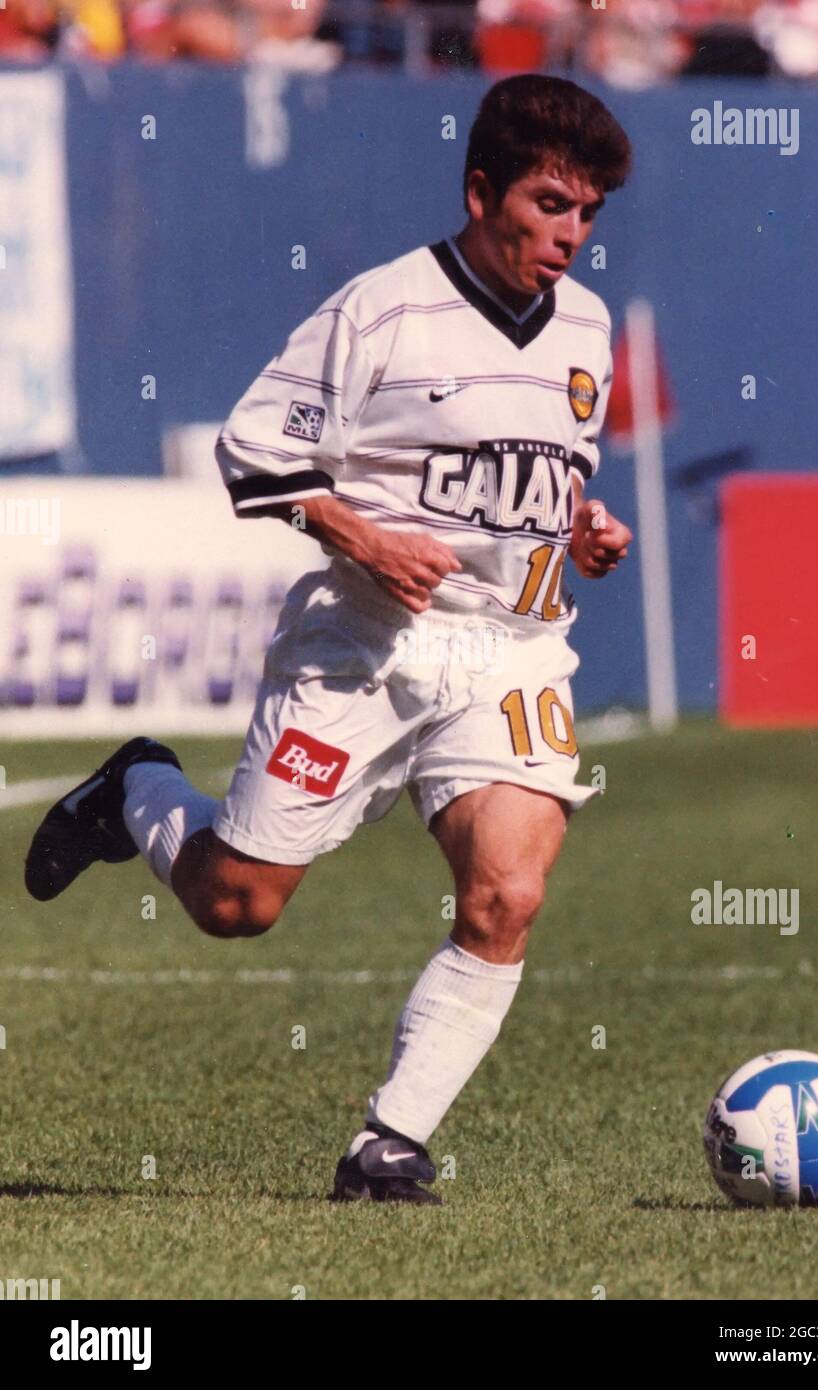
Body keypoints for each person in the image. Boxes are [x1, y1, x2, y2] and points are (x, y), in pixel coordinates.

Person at [25, 74, 633, 1206]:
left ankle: (388, 1144)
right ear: (481, 188)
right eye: (552, 203)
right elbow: (254, 453)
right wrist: (362, 536)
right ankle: (138, 791)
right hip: (365, 644)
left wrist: (583, 530)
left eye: (589, 213)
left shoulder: (590, 326)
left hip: (509, 648)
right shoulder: (382, 311)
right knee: (234, 903)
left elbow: (548, 477)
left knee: (507, 895)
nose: (570, 234)